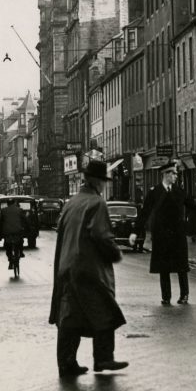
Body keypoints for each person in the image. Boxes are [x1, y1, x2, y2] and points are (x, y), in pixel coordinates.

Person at [49, 160, 128, 378]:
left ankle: (66, 363)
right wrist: (115, 253)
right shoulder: (96, 203)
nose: (104, 185)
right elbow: (101, 235)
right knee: (105, 311)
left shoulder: (72, 202)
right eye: (103, 181)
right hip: (88, 270)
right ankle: (103, 358)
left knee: (70, 317)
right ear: (97, 182)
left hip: (67, 268)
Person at [129, 161, 196, 306]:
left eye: (176, 173)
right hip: (161, 236)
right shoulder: (154, 193)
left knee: (181, 267)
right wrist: (134, 232)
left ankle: (184, 295)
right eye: (173, 173)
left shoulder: (180, 192)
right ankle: (166, 297)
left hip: (177, 235)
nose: (176, 176)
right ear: (166, 174)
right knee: (164, 269)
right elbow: (144, 214)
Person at [0, 199, 30, 270]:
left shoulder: (3, 211)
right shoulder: (20, 210)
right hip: (17, 231)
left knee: (7, 246)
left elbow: (0, 223)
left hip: (7, 232)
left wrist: (0, 234)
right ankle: (21, 252)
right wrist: (27, 229)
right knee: (20, 241)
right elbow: (25, 220)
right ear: (14, 203)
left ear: (7, 204)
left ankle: (10, 260)